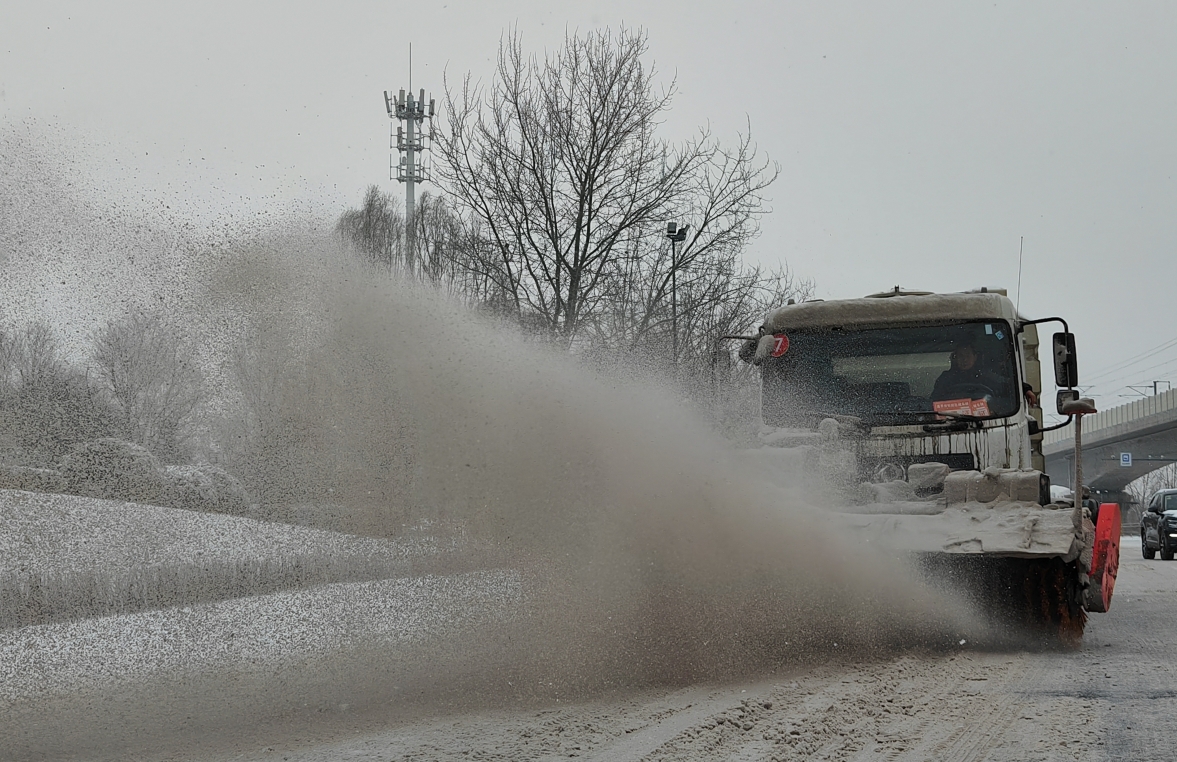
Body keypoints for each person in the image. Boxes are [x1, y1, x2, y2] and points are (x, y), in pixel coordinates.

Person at [931, 342, 1005, 402]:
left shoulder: (986, 376)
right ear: (955, 358)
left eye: (968, 355)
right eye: (961, 356)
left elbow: (1000, 398)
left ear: (975, 357)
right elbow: (935, 400)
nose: (965, 359)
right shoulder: (945, 378)